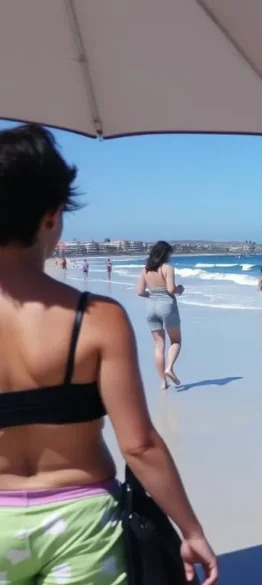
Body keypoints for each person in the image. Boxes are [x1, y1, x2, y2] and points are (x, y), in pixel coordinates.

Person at [0, 124, 217, 585]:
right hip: (82, 521)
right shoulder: (97, 318)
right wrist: (190, 528)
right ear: (53, 215)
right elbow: (138, 445)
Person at [136, 241, 185, 390]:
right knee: (176, 341)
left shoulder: (145, 270)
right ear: (165, 254)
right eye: (169, 253)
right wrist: (180, 289)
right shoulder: (167, 268)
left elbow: (139, 292)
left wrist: (152, 295)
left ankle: (163, 382)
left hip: (151, 307)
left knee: (158, 346)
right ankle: (169, 367)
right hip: (167, 306)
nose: (170, 256)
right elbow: (170, 289)